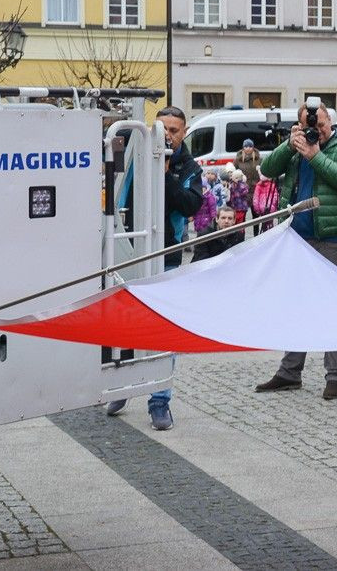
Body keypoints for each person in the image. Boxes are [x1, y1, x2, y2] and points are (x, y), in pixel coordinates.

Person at [254, 101, 337, 400]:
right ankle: (290, 372)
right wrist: (289, 145)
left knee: (333, 307)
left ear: (331, 122)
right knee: (295, 305)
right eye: (309, 126)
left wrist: (315, 156)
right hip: (297, 238)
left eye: (321, 125)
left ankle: (335, 376)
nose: (317, 131)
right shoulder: (296, 147)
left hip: (332, 238)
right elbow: (267, 170)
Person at [106, 105, 204, 431]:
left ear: (184, 132)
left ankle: (159, 401)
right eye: (163, 128)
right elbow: (118, 191)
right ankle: (122, 387)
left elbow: (191, 205)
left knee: (162, 332)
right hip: (130, 251)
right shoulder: (137, 154)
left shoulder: (189, 167)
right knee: (125, 326)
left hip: (166, 256)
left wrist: (165, 175)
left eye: (174, 130)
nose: (168, 135)